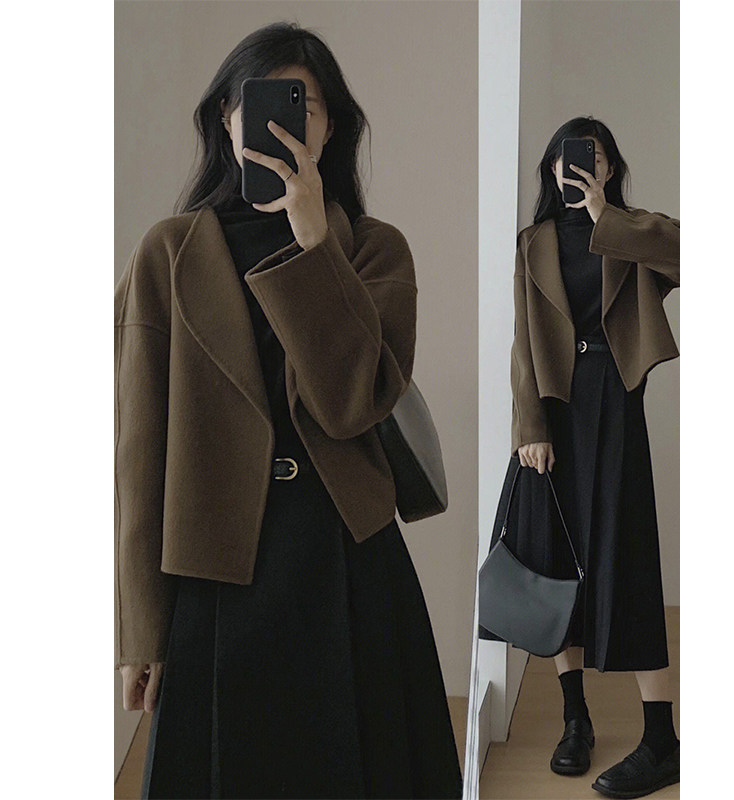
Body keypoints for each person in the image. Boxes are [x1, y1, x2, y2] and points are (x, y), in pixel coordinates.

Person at [114, 22, 463, 800]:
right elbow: (138, 452)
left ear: (330, 125)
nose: (280, 119)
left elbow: (352, 404)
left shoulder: (373, 249)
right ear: (226, 116)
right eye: (260, 99)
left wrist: (314, 247)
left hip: (348, 560)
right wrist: (142, 627)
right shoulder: (167, 253)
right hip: (213, 575)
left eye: (301, 103)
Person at [483, 117, 680, 798]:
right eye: (570, 158)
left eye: (593, 158)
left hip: (615, 403)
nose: (579, 167)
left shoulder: (630, 231)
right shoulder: (532, 243)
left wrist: (605, 215)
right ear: (551, 168)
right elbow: (523, 341)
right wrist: (529, 424)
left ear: (609, 167)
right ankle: (576, 719)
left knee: (629, 558)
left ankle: (662, 739)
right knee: (552, 562)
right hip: (554, 408)